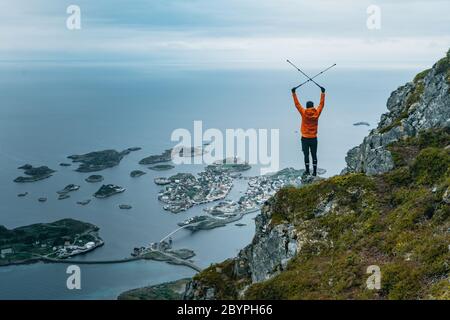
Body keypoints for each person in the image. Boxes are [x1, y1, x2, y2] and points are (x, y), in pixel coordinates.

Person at [291, 85, 326, 176]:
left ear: (306, 107)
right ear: (313, 107)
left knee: (306, 155)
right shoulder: (317, 113)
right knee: (314, 155)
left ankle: (307, 171)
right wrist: (323, 93)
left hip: (305, 138)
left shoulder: (304, 113)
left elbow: (297, 105)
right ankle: (314, 172)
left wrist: (293, 93)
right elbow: (321, 105)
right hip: (314, 138)